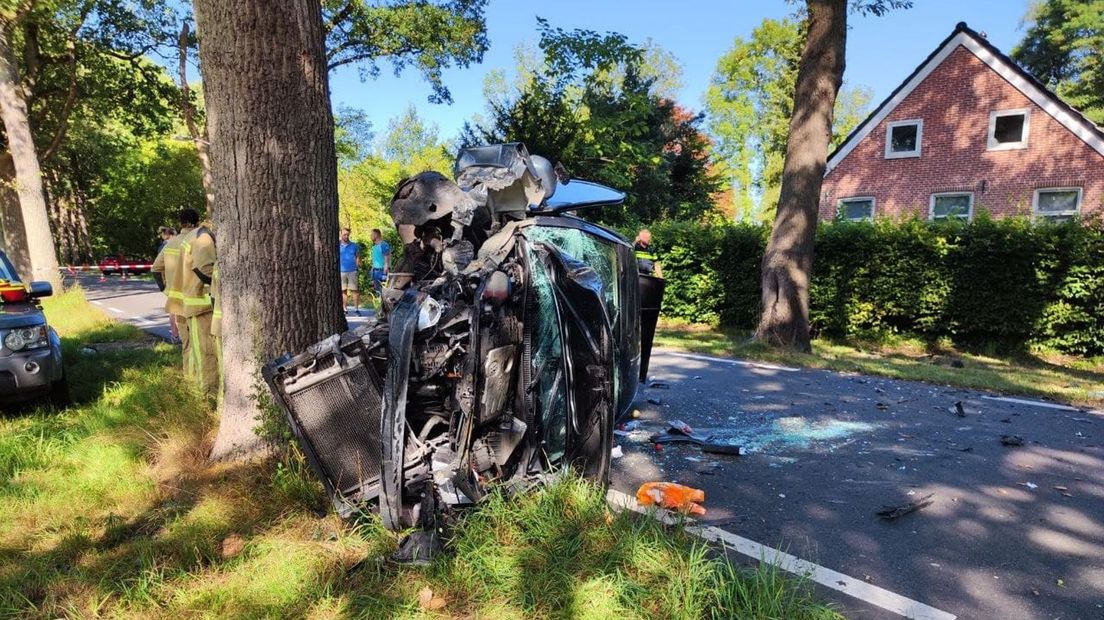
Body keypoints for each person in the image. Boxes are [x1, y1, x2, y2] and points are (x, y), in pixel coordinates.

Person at [181, 215, 218, 398]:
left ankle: (199, 396)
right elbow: (205, 269)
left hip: (195, 305)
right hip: (203, 307)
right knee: (208, 357)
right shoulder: (203, 237)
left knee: (198, 356)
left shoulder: (192, 236)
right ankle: (208, 399)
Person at [155, 226, 180, 344]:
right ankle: (178, 335)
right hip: (180, 281)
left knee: (173, 311)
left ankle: (175, 336)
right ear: (172, 235)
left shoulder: (162, 247)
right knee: (178, 312)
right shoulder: (178, 244)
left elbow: (157, 268)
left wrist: (162, 286)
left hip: (170, 283)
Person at [339, 227, 362, 315]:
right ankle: (344, 309)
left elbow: (358, 257)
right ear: (341, 234)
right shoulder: (337, 245)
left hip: (352, 271)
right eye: (344, 234)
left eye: (347, 235)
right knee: (343, 290)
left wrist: (357, 267)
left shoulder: (354, 245)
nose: (346, 236)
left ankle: (356, 309)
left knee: (355, 290)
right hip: (341, 271)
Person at [370, 228, 391, 297]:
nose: (370, 236)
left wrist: (385, 273)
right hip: (375, 272)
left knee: (384, 292)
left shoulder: (384, 245)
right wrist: (372, 271)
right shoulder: (374, 247)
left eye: (371, 234)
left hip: (382, 271)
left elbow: (387, 260)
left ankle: (383, 306)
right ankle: (379, 306)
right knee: (378, 292)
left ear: (376, 235)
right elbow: (375, 260)